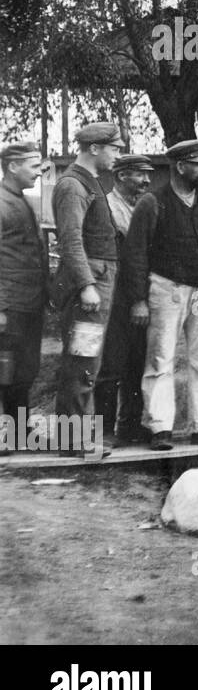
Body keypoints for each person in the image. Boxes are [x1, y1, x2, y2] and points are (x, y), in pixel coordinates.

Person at [123, 140, 198, 451]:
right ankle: (159, 427)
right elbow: (134, 253)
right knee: (161, 358)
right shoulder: (152, 202)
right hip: (167, 288)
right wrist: (138, 299)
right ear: (180, 166)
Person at [52, 121, 124, 457]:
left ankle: (75, 439)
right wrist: (86, 285)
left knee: (87, 361)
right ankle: (77, 441)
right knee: (82, 361)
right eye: (114, 148)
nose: (117, 154)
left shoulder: (88, 181)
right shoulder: (72, 185)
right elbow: (70, 240)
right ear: (94, 148)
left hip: (98, 280)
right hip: (90, 286)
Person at [94, 153, 155, 444]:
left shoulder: (144, 206)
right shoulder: (106, 207)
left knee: (137, 362)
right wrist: (133, 299)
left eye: (148, 174)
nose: (146, 180)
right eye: (140, 174)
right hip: (116, 295)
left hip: (142, 293)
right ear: (121, 176)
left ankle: (129, 424)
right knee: (111, 363)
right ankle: (103, 430)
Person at [0, 143, 48, 456]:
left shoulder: (21, 201)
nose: (38, 172)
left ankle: (19, 433)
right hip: (9, 303)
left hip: (30, 301)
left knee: (24, 370)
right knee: (3, 369)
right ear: (13, 166)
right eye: (33, 166)